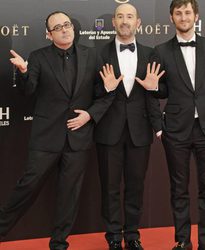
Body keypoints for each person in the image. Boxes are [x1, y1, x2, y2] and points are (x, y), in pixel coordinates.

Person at [0, 11, 112, 250]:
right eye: (58, 27)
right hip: (46, 137)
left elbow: (104, 95)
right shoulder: (39, 57)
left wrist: (90, 115)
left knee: (69, 195)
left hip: (78, 137)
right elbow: (28, 91)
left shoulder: (91, 55)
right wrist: (22, 72)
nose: (64, 29)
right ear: (48, 34)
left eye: (67, 24)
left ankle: (59, 243)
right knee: (27, 186)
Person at [140, 0, 205, 249]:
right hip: (176, 130)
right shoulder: (161, 50)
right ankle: (182, 241)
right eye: (178, 13)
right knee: (178, 188)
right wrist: (158, 126)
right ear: (171, 18)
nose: (183, 16)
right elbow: (157, 91)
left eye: (187, 12)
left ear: (196, 15)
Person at [95, 3, 164, 250]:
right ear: (113, 22)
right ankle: (113, 236)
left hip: (140, 131)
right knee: (110, 186)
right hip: (108, 130)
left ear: (138, 23)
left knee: (136, 185)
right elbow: (89, 92)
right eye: (120, 16)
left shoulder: (150, 53)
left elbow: (153, 94)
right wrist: (105, 87)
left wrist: (158, 126)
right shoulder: (98, 54)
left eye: (130, 17)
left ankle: (133, 235)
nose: (125, 21)